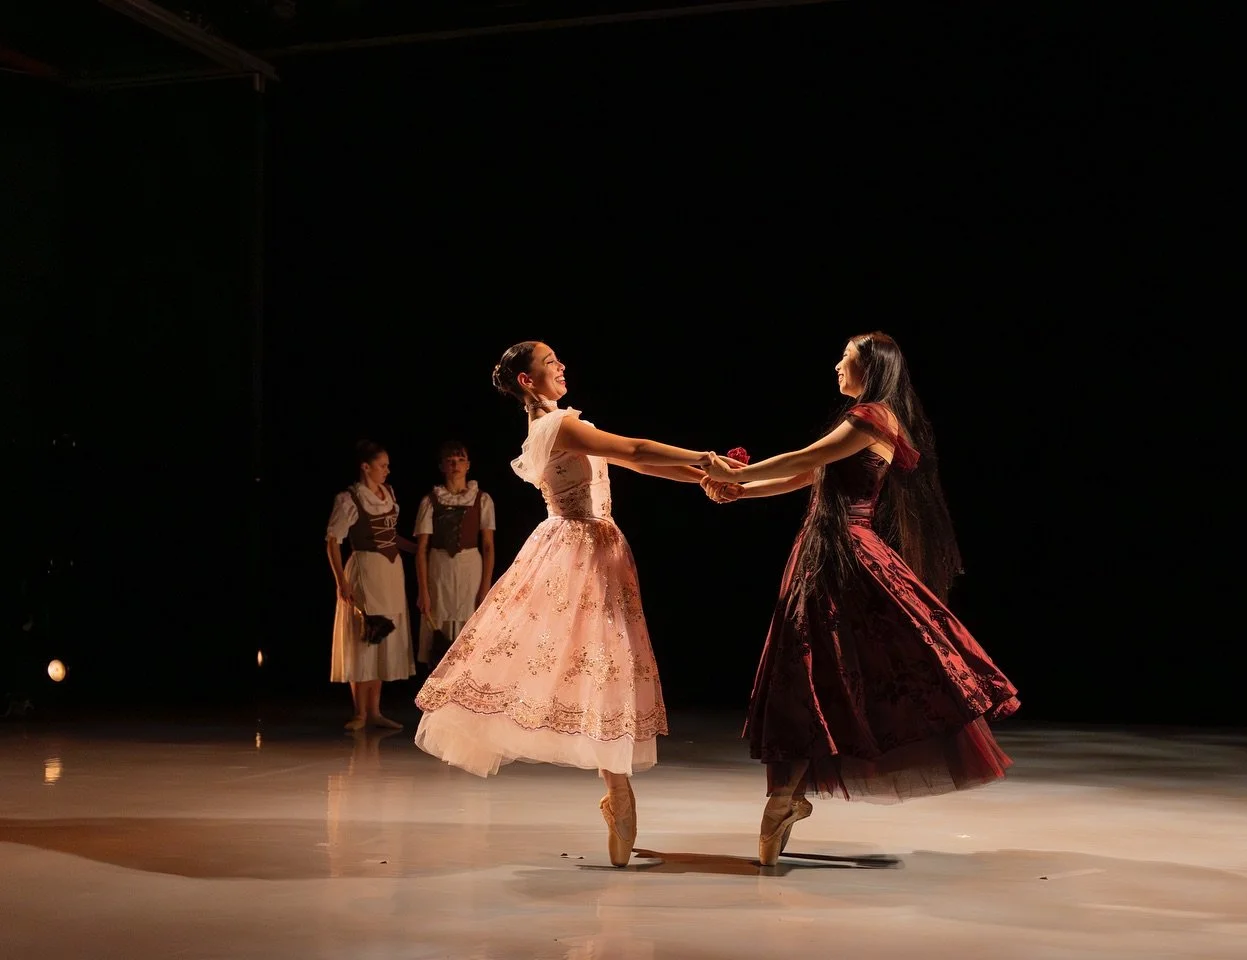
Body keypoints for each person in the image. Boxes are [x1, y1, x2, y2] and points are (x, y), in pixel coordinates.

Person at [700, 331, 1020, 865]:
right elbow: (809, 474)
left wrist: (733, 473)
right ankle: (785, 797)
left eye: (844, 358)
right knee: (808, 670)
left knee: (822, 669)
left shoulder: (874, 418)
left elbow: (804, 456)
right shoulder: (861, 419)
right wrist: (740, 490)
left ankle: (785, 796)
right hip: (820, 555)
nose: (836, 366)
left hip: (848, 557)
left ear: (870, 367)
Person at [414, 340, 718, 868]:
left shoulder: (560, 425)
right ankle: (619, 793)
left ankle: (618, 793)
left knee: (603, 664)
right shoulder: (556, 428)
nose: (562, 366)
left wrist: (707, 478)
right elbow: (638, 449)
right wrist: (706, 460)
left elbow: (639, 466)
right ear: (528, 381)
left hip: (597, 545)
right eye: (550, 363)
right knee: (601, 662)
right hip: (578, 547)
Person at [326, 440, 417, 731]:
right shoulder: (349, 499)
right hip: (364, 569)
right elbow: (332, 541)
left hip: (390, 572)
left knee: (382, 638)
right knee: (363, 637)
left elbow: (390, 535)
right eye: (382, 465)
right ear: (366, 467)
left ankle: (375, 711)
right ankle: (360, 712)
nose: (387, 471)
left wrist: (422, 549)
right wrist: (341, 580)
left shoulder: (388, 493)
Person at [414, 441, 496, 670]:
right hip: (440, 569)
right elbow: (421, 549)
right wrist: (423, 591)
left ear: (468, 465)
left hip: (470, 568)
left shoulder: (482, 499)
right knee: (438, 627)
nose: (455, 465)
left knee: (469, 630)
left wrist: (485, 588)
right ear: (442, 466)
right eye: (450, 461)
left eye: (460, 460)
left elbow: (488, 546)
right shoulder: (430, 501)